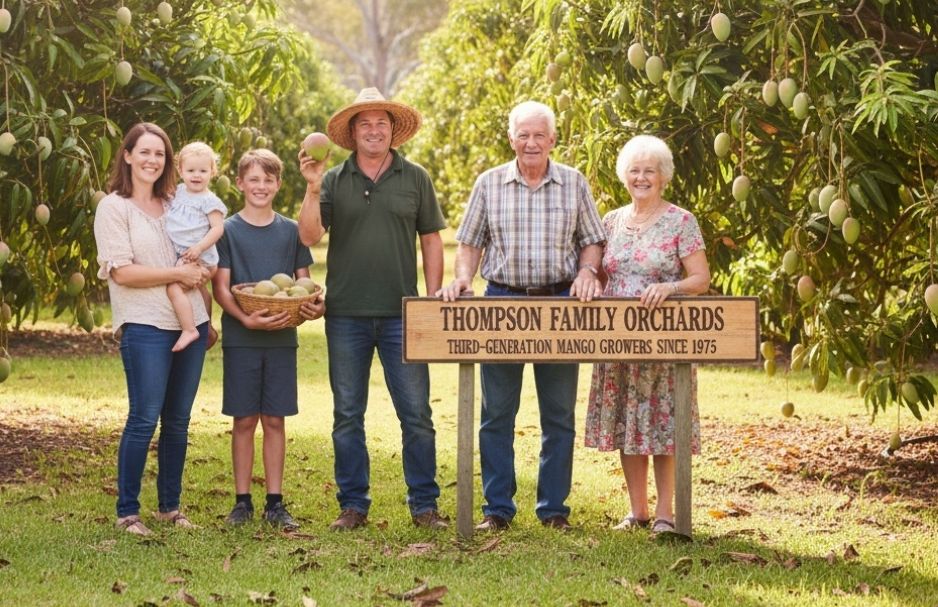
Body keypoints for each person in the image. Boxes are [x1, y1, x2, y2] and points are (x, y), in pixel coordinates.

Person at [438, 101, 606, 531]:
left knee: (558, 416)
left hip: (559, 308)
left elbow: (591, 240)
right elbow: (471, 242)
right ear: (511, 139)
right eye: (523, 135)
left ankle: (553, 510)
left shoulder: (573, 182)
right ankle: (497, 510)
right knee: (496, 414)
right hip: (502, 305)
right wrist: (461, 278)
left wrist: (588, 270)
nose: (531, 143)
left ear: (552, 139)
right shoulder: (489, 183)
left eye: (539, 135)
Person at [297, 88, 448, 531]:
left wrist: (432, 298)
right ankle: (353, 506)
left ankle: (424, 506)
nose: (374, 130)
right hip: (345, 315)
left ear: (392, 129)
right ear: (352, 132)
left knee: (417, 413)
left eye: (381, 123)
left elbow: (432, 240)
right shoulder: (333, 180)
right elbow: (308, 235)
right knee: (347, 414)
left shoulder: (415, 176)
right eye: (365, 124)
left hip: (403, 315)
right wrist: (311, 186)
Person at [584, 135, 710, 534]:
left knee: (662, 427)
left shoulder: (681, 221)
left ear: (663, 177)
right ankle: (636, 511)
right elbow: (603, 273)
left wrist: (670, 288)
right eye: (635, 171)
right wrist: (590, 282)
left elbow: (701, 278)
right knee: (628, 424)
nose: (641, 177)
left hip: (663, 343)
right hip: (618, 344)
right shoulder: (610, 222)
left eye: (649, 171)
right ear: (625, 176)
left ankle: (665, 514)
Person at [94, 122, 212, 535]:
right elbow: (123, 272)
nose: (152, 160)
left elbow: (202, 254)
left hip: (191, 322)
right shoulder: (114, 207)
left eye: (159, 154)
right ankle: (128, 512)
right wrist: (177, 273)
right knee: (144, 417)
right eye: (144, 152)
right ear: (127, 155)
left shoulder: (177, 201)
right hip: (144, 324)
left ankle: (170, 508)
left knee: (177, 420)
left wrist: (207, 316)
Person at [212, 149, 325, 530]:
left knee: (274, 419)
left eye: (268, 180)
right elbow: (222, 287)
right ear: (240, 183)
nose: (261, 187)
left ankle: (275, 502)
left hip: (281, 337)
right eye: (253, 180)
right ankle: (242, 501)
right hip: (241, 338)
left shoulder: (291, 230)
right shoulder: (226, 231)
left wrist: (314, 307)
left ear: (278, 185)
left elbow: (303, 283)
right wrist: (246, 318)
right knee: (244, 419)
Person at [165, 142, 226, 352]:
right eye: (191, 170)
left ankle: (189, 328)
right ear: (180, 171)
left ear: (212, 172)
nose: (196, 175)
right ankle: (207, 327)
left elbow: (218, 229)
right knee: (201, 292)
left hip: (201, 259)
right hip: (188, 256)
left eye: (203, 170)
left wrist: (199, 248)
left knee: (173, 288)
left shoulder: (209, 201)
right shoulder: (178, 192)